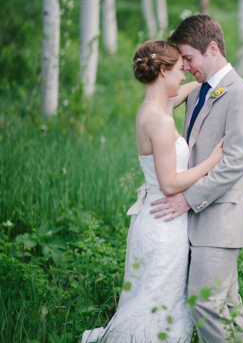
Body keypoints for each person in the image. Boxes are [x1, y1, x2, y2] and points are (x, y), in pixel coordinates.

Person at [82, 40, 225, 343]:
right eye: (178, 70)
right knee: (156, 301)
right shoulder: (158, 121)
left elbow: (191, 89)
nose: (184, 75)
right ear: (162, 71)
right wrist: (212, 161)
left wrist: (223, 84)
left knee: (155, 298)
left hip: (156, 218)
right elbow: (169, 183)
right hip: (163, 224)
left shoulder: (155, 108)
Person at [149, 15, 243, 343]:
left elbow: (236, 162)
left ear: (213, 48)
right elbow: (158, 103)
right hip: (198, 219)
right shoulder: (198, 91)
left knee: (204, 301)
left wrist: (187, 198)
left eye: (189, 58)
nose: (187, 66)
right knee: (226, 303)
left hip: (220, 217)